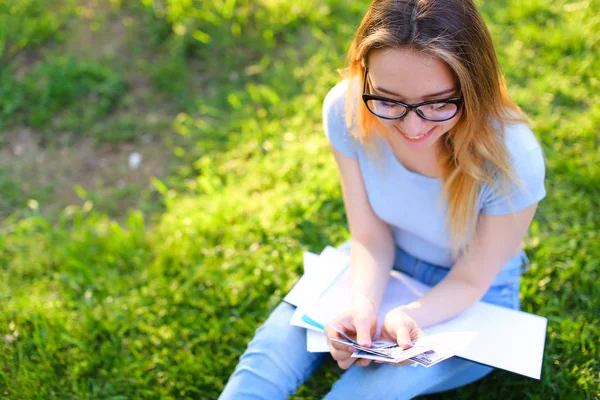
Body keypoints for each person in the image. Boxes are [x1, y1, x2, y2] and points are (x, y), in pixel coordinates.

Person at [219, 0, 546, 398]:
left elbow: (472, 278)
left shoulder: (513, 157)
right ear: (364, 73)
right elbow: (371, 236)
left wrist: (408, 316)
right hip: (378, 264)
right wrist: (362, 300)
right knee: (262, 368)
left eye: (438, 103)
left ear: (473, 86)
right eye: (388, 100)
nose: (411, 126)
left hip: (473, 298)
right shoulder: (346, 109)